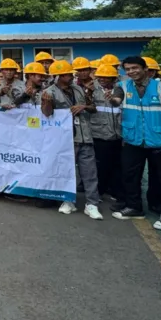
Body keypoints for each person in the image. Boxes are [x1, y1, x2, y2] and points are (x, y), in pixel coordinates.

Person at [111, 56, 161, 230]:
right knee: (130, 175)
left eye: (135, 68)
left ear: (145, 69)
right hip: (133, 139)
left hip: (158, 140)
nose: (131, 72)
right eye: (127, 69)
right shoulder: (122, 86)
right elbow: (117, 100)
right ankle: (134, 207)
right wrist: (112, 99)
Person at [42, 60, 101, 220]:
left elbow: (93, 108)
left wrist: (84, 107)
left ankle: (92, 204)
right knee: (66, 172)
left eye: (70, 74)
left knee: (89, 172)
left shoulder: (79, 89)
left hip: (85, 136)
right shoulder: (49, 92)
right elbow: (46, 114)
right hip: (66, 139)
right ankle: (67, 200)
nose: (69, 76)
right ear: (58, 76)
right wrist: (47, 102)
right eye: (66, 74)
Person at [90, 63, 124, 203]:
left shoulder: (120, 89)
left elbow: (117, 101)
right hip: (99, 133)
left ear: (113, 79)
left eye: (106, 78)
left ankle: (115, 191)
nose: (103, 80)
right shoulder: (92, 90)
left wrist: (112, 99)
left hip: (118, 134)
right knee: (100, 166)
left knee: (117, 166)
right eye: (101, 77)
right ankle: (98, 191)